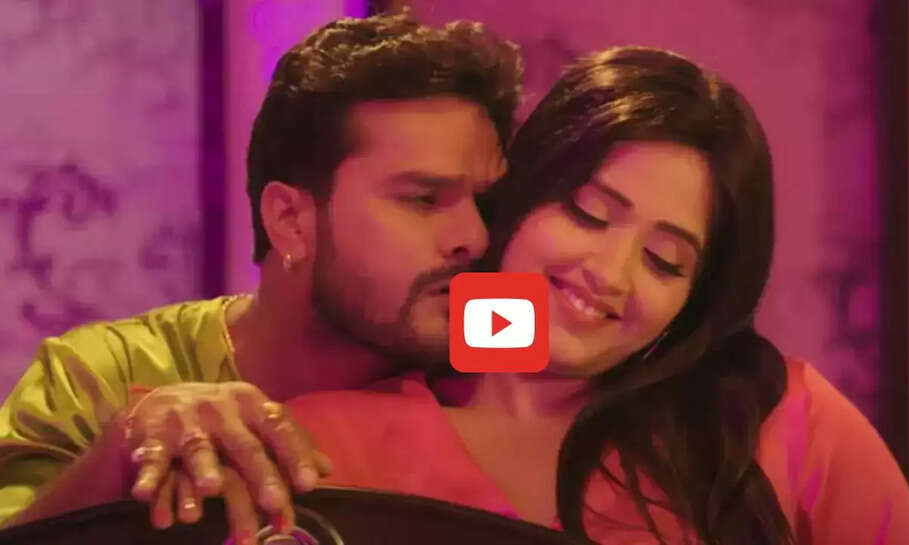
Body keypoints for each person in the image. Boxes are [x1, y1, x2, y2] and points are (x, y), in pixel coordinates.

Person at [281, 46, 909, 544]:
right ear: (521, 196)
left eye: (663, 261)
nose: (610, 273)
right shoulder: (324, 439)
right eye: (588, 214)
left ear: (693, 303)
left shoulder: (783, 421)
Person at [0, 12, 522, 545]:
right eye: (424, 199)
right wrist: (124, 449)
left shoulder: (495, 350)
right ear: (290, 220)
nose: (475, 237)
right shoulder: (98, 376)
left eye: (484, 203)